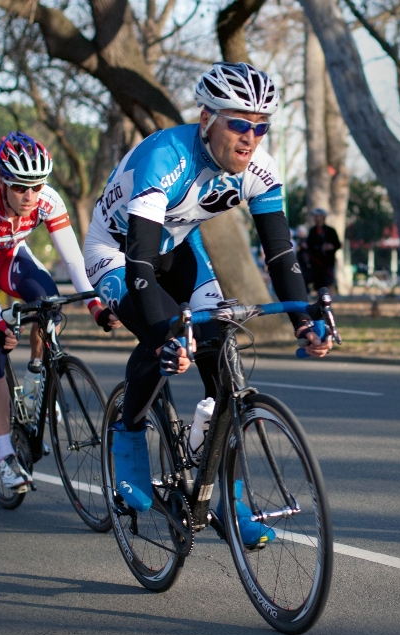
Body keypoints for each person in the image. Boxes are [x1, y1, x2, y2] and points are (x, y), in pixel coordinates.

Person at [83, 62, 332, 545]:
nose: (250, 137)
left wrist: (303, 318)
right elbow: (139, 267)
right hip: (118, 253)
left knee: (222, 353)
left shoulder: (260, 169)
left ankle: (231, 500)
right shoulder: (166, 158)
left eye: (261, 126)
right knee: (165, 338)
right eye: (239, 123)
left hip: (179, 249)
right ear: (206, 119)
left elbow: (280, 253)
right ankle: (129, 432)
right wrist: (165, 336)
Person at [0, 131, 120, 492]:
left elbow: (72, 259)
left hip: (9, 257)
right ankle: (5, 455)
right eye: (20, 187)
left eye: (36, 186)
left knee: (49, 306)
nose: (30, 196)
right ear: (0, 180)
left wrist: (95, 306)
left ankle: (36, 380)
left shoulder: (47, 200)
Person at [306, 208, 341, 293]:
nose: (316, 218)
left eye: (318, 216)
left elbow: (338, 244)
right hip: (316, 263)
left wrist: (331, 246)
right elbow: (309, 245)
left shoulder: (330, 231)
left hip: (328, 263)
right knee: (318, 285)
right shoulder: (312, 231)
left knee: (329, 283)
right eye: (315, 216)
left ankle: (329, 302)